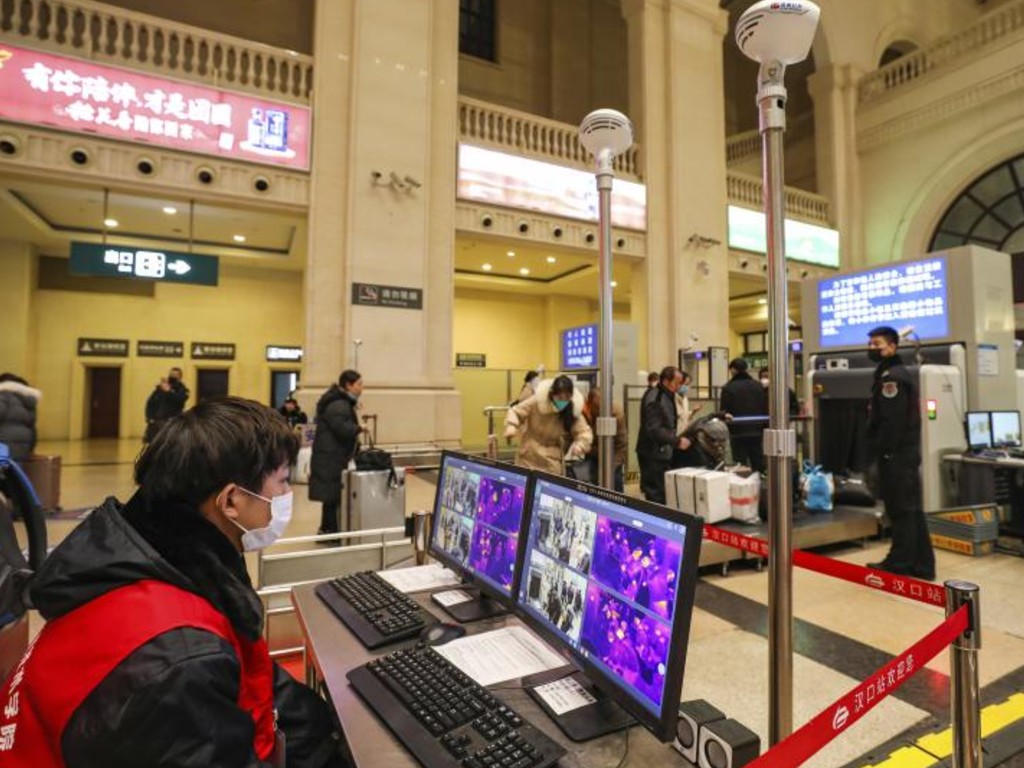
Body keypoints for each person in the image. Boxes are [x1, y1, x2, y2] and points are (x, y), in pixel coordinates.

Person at [0, 397, 346, 767]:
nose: (285, 497)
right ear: (230, 501)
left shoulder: (150, 559)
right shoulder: (176, 659)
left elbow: (253, 678)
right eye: (280, 482)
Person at [865, 326, 935, 581]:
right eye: (870, 343)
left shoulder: (892, 378)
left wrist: (884, 454)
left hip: (896, 456)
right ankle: (922, 565)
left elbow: (891, 423)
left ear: (893, 347)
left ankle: (900, 562)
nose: (872, 348)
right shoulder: (892, 373)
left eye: (878, 344)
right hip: (904, 455)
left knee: (901, 510)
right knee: (912, 509)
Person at [309, 370, 364, 536]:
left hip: (329, 456)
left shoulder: (339, 401)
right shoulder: (339, 404)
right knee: (332, 497)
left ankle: (327, 529)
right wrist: (359, 428)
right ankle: (331, 532)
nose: (362, 388)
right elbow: (342, 429)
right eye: (359, 384)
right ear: (348, 385)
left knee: (330, 498)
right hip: (330, 458)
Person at [504, 375, 592, 474]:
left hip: (551, 461)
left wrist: (580, 445)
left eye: (567, 397)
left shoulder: (572, 409)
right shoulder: (537, 401)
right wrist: (511, 425)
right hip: (528, 455)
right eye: (559, 397)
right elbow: (516, 411)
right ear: (552, 393)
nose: (563, 401)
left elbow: (584, 432)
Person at [635, 366, 690, 504]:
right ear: (666, 381)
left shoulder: (665, 395)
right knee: (656, 497)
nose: (679, 386)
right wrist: (677, 441)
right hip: (653, 453)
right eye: (676, 383)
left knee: (662, 494)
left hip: (660, 452)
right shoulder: (656, 397)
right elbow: (655, 429)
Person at [720, 358, 768, 472]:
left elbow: (724, 411)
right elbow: (765, 406)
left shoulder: (728, 387)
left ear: (732, 370)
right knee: (758, 460)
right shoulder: (758, 385)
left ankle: (744, 486)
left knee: (740, 464)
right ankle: (760, 483)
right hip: (757, 429)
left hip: (737, 431)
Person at [581, 388, 627, 491]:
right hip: (593, 453)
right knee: (590, 485)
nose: (599, 412)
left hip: (613, 455)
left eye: (601, 408)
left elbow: (621, 444)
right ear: (590, 403)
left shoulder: (616, 413)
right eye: (596, 408)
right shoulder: (584, 411)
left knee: (614, 484)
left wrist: (613, 467)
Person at [0, 373, 41, 461]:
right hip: (22, 449)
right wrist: (30, 450)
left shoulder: (3, 396)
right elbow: (33, 430)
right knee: (13, 472)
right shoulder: (27, 401)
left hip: (2, 449)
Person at [144, 366, 189, 442]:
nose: (172, 377)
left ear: (180, 377)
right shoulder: (159, 389)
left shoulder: (182, 390)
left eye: (175, 376)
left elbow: (180, 401)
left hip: (172, 423)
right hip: (157, 422)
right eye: (171, 375)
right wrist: (149, 418)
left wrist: (169, 391)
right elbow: (150, 403)